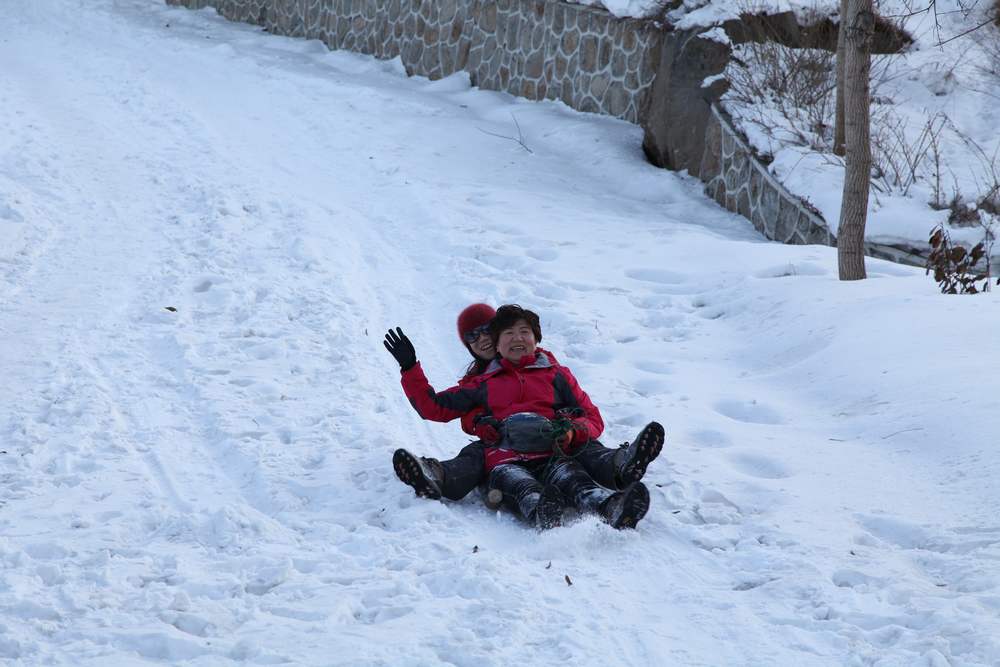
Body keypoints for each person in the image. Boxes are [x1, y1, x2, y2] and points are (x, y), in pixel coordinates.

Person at [386, 304, 664, 530]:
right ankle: (437, 475)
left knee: (574, 473)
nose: (482, 338)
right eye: (473, 336)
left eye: (486, 330)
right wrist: (410, 367)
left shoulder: (553, 373)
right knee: (495, 469)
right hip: (503, 452)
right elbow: (435, 407)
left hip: (553, 448)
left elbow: (590, 416)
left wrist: (570, 429)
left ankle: (616, 492)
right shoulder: (480, 382)